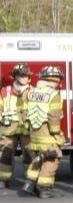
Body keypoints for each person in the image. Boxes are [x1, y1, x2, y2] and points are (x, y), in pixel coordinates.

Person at [22, 66, 66, 198]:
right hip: (47, 134)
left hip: (34, 134)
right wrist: (57, 134)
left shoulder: (30, 92)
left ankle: (29, 184)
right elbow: (53, 118)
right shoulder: (54, 95)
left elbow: (24, 113)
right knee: (52, 158)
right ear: (56, 80)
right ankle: (44, 188)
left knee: (38, 157)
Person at [0, 64, 34, 194]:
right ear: (15, 76)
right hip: (9, 129)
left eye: (27, 75)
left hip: (27, 129)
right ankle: (3, 179)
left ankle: (31, 180)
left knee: (30, 155)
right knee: (5, 154)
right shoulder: (5, 91)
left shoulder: (33, 91)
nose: (25, 78)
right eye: (22, 75)